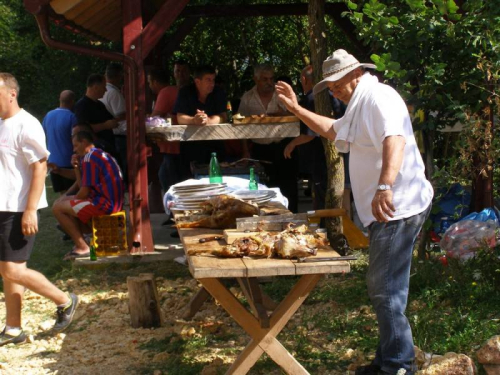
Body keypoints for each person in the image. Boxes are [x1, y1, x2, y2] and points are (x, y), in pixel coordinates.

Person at [276, 50, 433, 375]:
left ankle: (398, 366)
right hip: (386, 210)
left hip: (397, 206)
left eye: (334, 85)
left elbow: (395, 139)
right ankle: (388, 360)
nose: (332, 92)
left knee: (385, 287)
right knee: (383, 286)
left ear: (353, 75)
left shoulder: (379, 98)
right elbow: (333, 130)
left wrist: (384, 186)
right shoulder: (359, 104)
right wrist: (295, 109)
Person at [0, 73, 79, 345]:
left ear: (12, 93)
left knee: (12, 270)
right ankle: (13, 329)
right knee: (8, 268)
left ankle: (65, 300)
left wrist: (31, 210)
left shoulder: (27, 124)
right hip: (2, 206)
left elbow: (40, 167)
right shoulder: (1, 124)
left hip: (18, 208)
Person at [52, 131, 124, 260]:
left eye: (75, 145)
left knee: (57, 208)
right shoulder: (100, 154)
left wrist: (69, 201)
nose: (74, 150)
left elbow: (84, 192)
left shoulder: (89, 158)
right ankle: (85, 237)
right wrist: (76, 169)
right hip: (114, 202)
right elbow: (83, 185)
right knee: (63, 204)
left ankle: (82, 247)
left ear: (84, 142)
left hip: (104, 205)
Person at [284, 65, 346, 210]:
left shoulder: (313, 98)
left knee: (322, 196)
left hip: (321, 157)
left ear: (304, 79)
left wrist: (292, 144)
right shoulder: (327, 96)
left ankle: (325, 228)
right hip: (332, 154)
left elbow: (310, 134)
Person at [238, 63, 298, 212]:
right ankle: (267, 221)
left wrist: (280, 114)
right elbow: (241, 126)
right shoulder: (247, 98)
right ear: (255, 79)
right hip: (259, 149)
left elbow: (297, 115)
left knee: (288, 186)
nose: (269, 83)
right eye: (265, 79)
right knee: (264, 188)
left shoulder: (282, 95)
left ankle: (293, 218)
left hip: (284, 147)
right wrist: (245, 151)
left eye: (271, 79)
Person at [174, 65, 227, 172]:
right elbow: (179, 117)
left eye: (213, 80)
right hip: (190, 148)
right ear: (197, 81)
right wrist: (194, 120)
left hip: (215, 147)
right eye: (208, 80)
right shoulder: (185, 92)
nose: (212, 83)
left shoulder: (218, 92)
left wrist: (208, 121)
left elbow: (224, 117)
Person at [42, 90, 78, 195]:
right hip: (69, 162)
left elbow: (43, 135)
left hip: (53, 162)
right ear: (72, 101)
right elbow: (75, 139)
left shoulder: (48, 115)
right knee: (72, 195)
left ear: (59, 99)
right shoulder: (72, 117)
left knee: (62, 195)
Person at [74, 74, 118, 157]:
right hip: (95, 152)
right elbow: (82, 129)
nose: (105, 90)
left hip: (107, 148)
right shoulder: (81, 105)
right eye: (104, 87)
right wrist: (105, 126)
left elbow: (111, 120)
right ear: (95, 87)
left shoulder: (100, 104)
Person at [100, 63, 128, 184]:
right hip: (120, 135)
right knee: (123, 165)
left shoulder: (105, 91)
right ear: (119, 76)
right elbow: (121, 115)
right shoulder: (113, 93)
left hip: (111, 134)